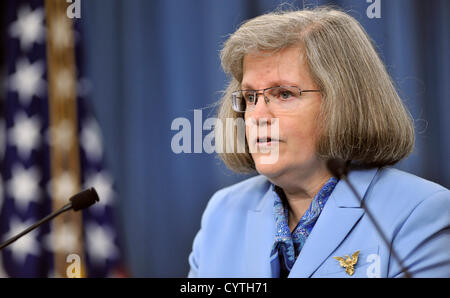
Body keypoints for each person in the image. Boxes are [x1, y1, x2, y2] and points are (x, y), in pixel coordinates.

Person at [188, 7, 450, 278]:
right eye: (251, 97)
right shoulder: (222, 213)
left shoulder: (421, 212)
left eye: (284, 94)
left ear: (344, 101)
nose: (258, 116)